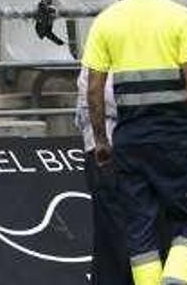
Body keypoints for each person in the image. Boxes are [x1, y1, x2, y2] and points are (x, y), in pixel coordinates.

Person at [82, 0, 187, 285]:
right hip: (173, 138)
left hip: (128, 139)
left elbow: (94, 89)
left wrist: (101, 140)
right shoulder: (179, 17)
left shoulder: (107, 21)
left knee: (139, 229)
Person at [74, 67, 132, 284]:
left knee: (116, 238)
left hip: (118, 148)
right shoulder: (105, 38)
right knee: (113, 238)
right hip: (108, 151)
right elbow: (95, 94)